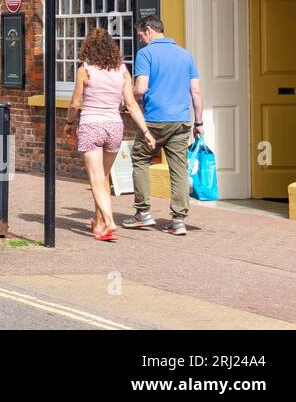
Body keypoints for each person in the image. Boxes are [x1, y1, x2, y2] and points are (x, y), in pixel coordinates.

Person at [65, 29, 155, 242]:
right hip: (114, 127)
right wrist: (146, 131)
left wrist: (69, 122)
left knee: (96, 179)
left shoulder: (84, 70)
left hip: (92, 125)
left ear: (88, 48)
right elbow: (131, 104)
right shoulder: (123, 71)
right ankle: (99, 223)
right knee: (103, 178)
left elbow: (76, 103)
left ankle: (109, 219)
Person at [125, 16, 204, 236]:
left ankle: (143, 213)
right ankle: (178, 221)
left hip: (154, 120)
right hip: (181, 120)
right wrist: (199, 122)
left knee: (140, 160)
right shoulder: (185, 54)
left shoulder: (146, 54)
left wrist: (127, 98)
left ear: (149, 30)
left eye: (141, 35)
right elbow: (196, 92)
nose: (141, 40)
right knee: (179, 168)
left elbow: (140, 88)